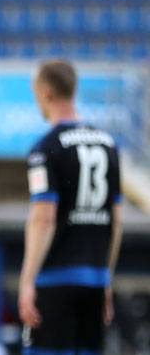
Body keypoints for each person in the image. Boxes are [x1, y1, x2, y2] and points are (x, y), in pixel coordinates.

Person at [18, 60, 123, 354]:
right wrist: (105, 279)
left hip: (55, 280)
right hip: (95, 280)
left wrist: (27, 281)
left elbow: (43, 219)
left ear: (46, 93)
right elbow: (116, 222)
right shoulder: (108, 145)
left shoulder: (45, 149)